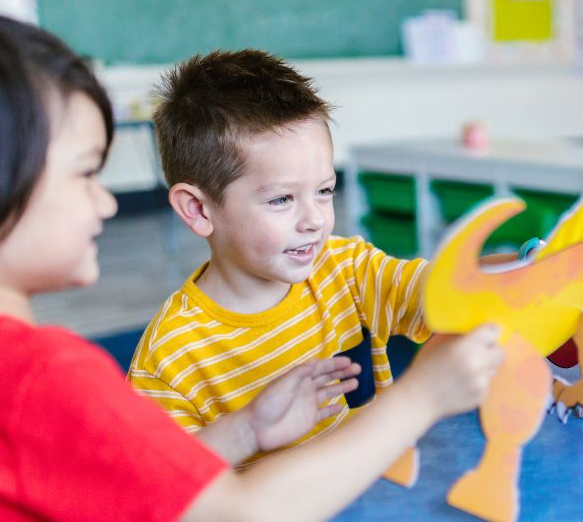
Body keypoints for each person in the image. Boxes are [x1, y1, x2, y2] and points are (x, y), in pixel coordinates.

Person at [0, 7, 502, 520]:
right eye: (84, 174)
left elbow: (117, 495)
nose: (105, 201)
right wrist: (422, 397)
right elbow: (239, 514)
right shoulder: (36, 377)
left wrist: (245, 431)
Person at [126, 50, 441, 475]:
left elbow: (443, 289)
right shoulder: (169, 361)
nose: (314, 220)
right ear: (198, 210)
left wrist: (522, 266)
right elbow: (159, 487)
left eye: (325, 191)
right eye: (281, 199)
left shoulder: (347, 268)